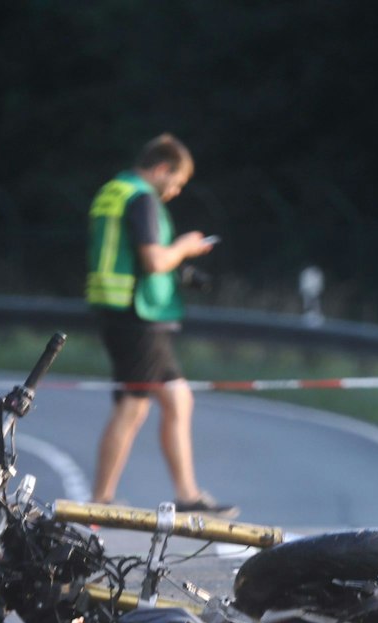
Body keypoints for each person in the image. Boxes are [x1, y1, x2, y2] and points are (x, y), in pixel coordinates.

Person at [84, 134, 235, 516]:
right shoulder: (142, 198)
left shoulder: (114, 191)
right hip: (140, 316)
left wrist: (180, 268)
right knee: (132, 406)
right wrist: (184, 247)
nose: (176, 191)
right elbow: (153, 261)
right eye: (177, 181)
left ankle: (187, 496)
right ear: (162, 168)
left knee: (178, 399)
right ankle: (99, 502)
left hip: (122, 308)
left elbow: (130, 256)